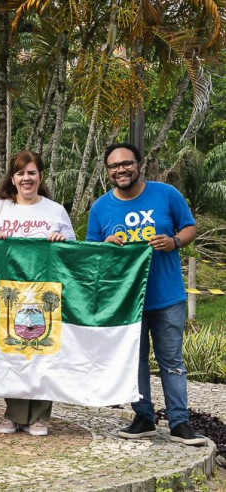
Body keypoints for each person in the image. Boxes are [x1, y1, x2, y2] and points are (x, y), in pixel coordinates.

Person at [86, 142, 206, 446]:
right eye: (114, 166)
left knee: (172, 362)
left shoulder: (166, 194)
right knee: (134, 360)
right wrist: (107, 246)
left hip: (167, 297)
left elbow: (190, 227)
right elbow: (91, 252)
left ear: (138, 165)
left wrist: (175, 241)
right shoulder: (101, 207)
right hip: (127, 300)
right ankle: (143, 418)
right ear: (108, 172)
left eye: (126, 163)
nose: (121, 170)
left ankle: (180, 422)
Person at [0, 150, 75, 437]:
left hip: (46, 294)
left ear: (40, 175)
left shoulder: (55, 210)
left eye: (31, 172)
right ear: (12, 178)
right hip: (8, 292)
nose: (26, 178)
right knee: (12, 351)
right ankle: (13, 413)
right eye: (20, 173)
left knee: (43, 350)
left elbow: (73, 252)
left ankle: (40, 416)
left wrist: (60, 240)